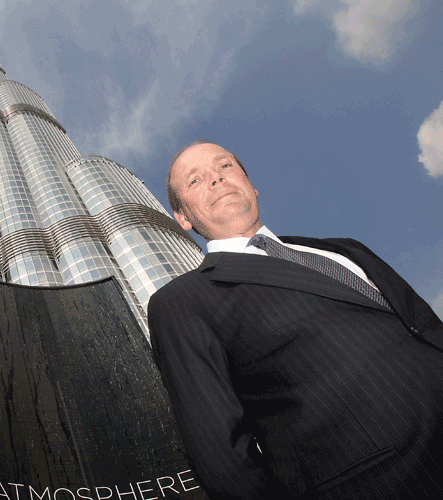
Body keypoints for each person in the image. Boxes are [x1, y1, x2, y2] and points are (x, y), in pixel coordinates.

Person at [148, 141, 443, 499]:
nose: (216, 178)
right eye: (195, 180)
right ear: (183, 218)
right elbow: (220, 454)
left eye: (224, 166)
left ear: (251, 184)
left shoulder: (344, 248)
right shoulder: (181, 301)